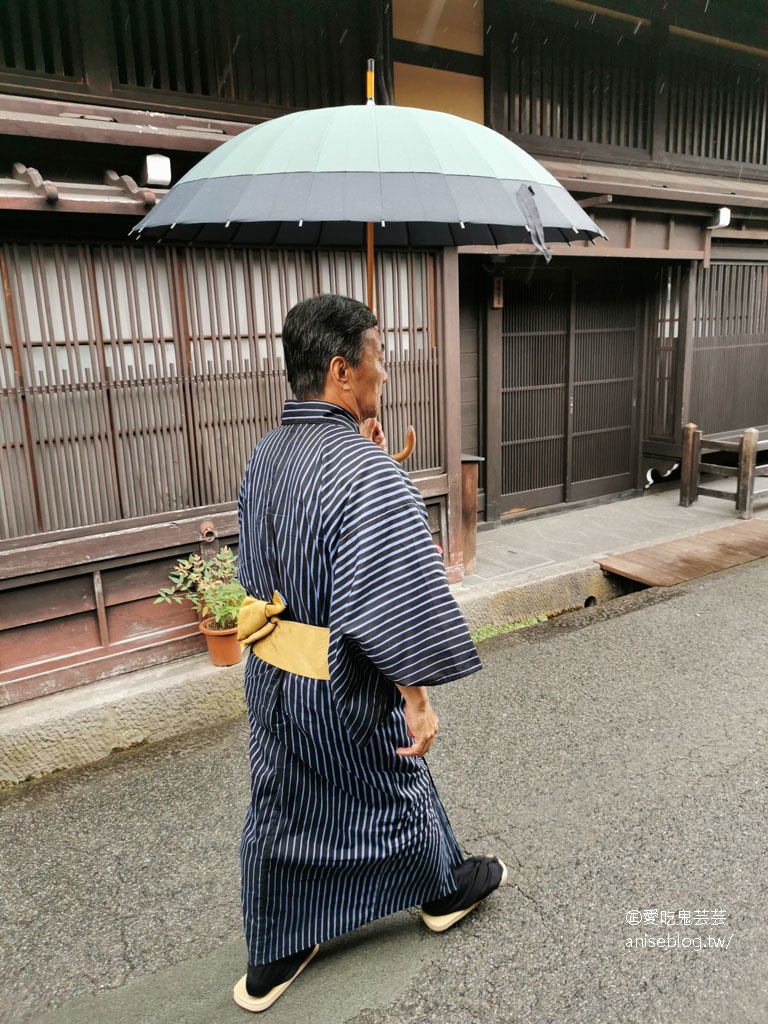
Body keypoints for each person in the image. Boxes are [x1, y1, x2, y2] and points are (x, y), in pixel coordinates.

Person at [233, 294, 506, 1013]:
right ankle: (444, 889)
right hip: (336, 679)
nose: (385, 372)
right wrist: (416, 699)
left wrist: (373, 457)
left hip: (271, 674)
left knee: (282, 802)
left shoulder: (267, 452)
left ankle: (277, 949)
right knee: (391, 780)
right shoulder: (365, 470)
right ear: (340, 372)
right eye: (378, 357)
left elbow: (278, 556)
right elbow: (388, 589)